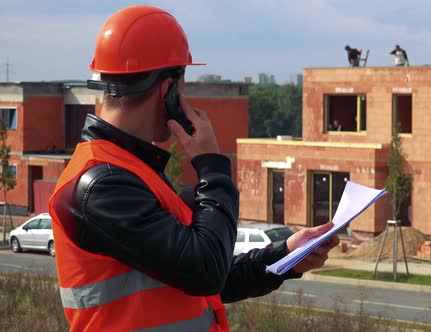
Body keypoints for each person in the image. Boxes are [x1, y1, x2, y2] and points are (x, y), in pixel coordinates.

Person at [48, 5, 339, 331]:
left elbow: (206, 277)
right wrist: (212, 167)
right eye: (182, 85)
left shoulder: (130, 171)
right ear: (168, 89)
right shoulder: (100, 184)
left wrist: (284, 256)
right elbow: (206, 271)